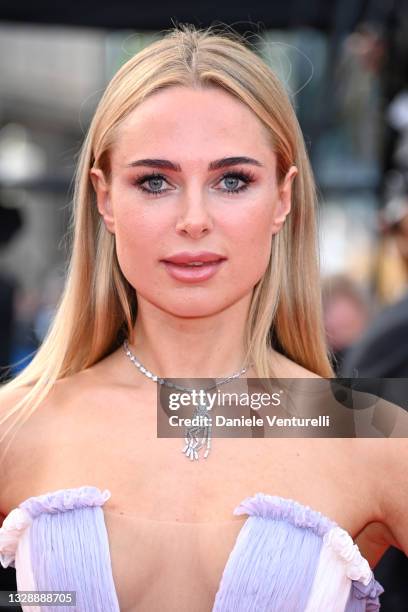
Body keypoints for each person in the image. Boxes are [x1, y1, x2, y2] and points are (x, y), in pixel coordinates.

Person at [0, 24, 407, 612]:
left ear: (283, 199)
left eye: (232, 180)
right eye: (155, 181)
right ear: (106, 197)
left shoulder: (364, 432)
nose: (194, 219)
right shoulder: (20, 424)